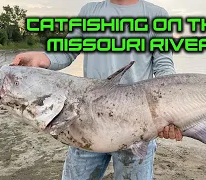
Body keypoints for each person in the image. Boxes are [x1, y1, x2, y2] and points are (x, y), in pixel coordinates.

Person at [11, 0, 184, 179]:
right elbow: (68, 51)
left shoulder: (156, 14)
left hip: (137, 125)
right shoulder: (90, 10)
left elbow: (164, 67)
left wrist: (171, 113)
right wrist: (43, 58)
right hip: (86, 123)